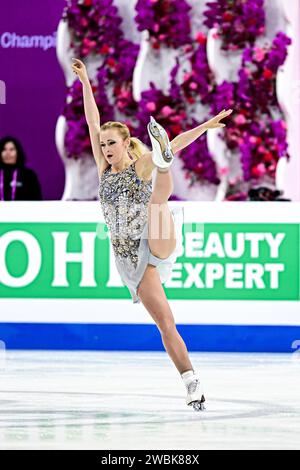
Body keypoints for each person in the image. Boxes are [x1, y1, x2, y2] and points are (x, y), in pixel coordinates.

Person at [72, 58, 232, 411]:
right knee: (165, 322)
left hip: (157, 233)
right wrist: (85, 81)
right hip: (131, 261)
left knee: (158, 199)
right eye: (102, 146)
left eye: (111, 144)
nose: (105, 150)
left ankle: (164, 162)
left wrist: (206, 125)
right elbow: (92, 120)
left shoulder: (137, 164)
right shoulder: (104, 171)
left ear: (127, 144)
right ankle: (192, 383)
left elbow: (180, 140)